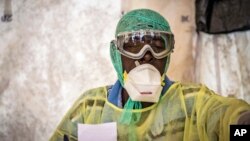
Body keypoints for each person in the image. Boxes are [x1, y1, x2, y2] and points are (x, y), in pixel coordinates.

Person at [50, 9, 250, 141]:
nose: (146, 57)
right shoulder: (91, 107)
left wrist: (243, 126)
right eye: (133, 47)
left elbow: (224, 115)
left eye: (157, 47)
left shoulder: (192, 102)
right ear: (116, 55)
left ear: (168, 56)